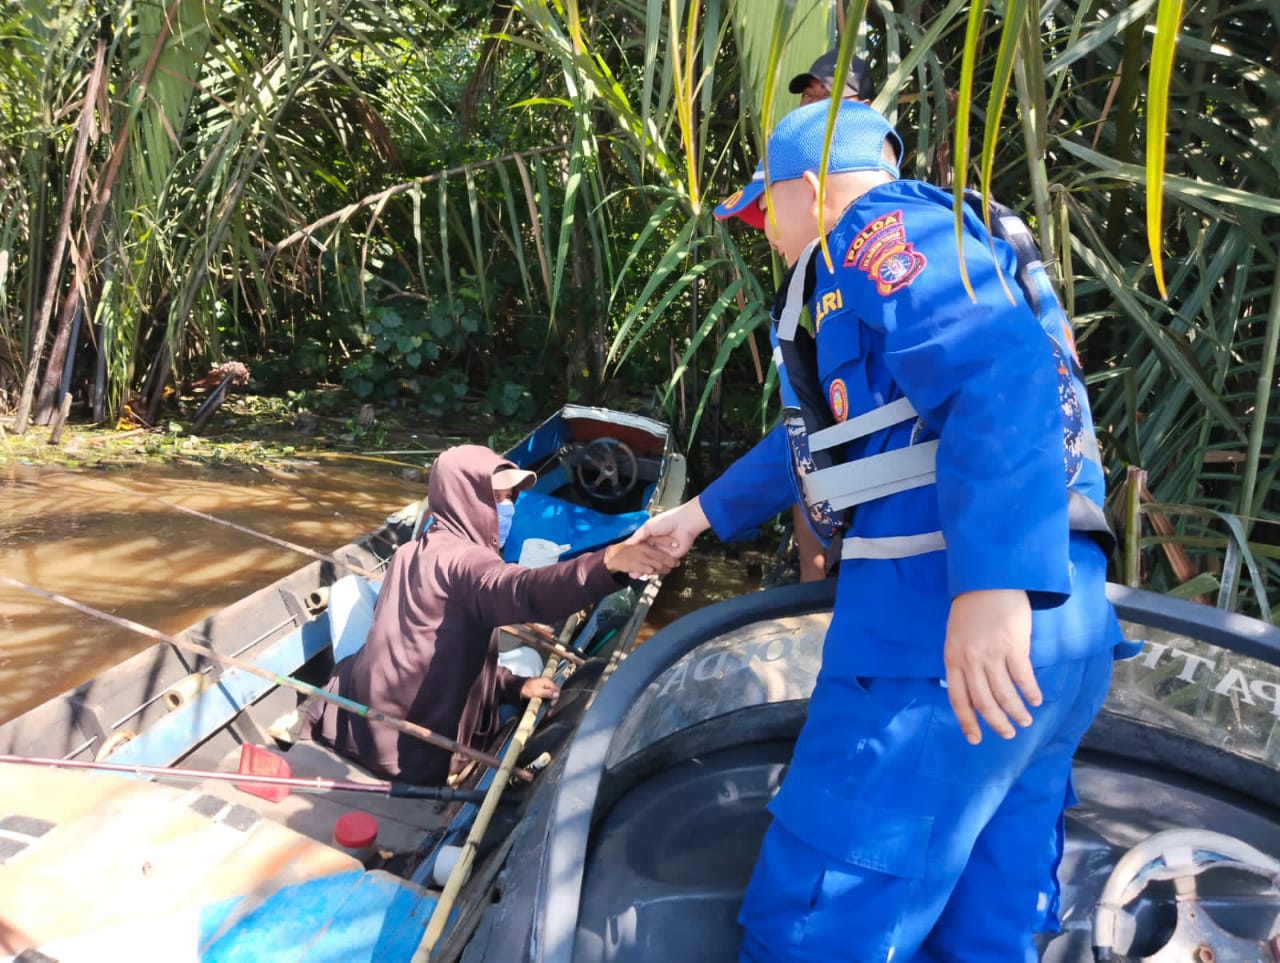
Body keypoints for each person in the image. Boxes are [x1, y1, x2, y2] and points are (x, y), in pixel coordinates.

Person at [630, 100, 1132, 961]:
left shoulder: (874, 229)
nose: (767, 238)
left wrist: (990, 585)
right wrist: (691, 521)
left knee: (816, 921)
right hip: (1066, 632)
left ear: (814, 188)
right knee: (991, 921)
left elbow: (999, 369)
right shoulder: (952, 261)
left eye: (764, 213)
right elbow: (830, 448)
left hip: (941, 637)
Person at [308, 444, 677, 786]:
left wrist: (513, 685)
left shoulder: (409, 551)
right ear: (464, 500)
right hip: (415, 754)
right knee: (530, 656)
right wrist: (607, 563)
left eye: (508, 497)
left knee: (347, 592)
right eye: (495, 498)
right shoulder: (470, 561)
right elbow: (525, 591)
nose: (507, 507)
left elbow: (432, 650)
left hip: (352, 721)